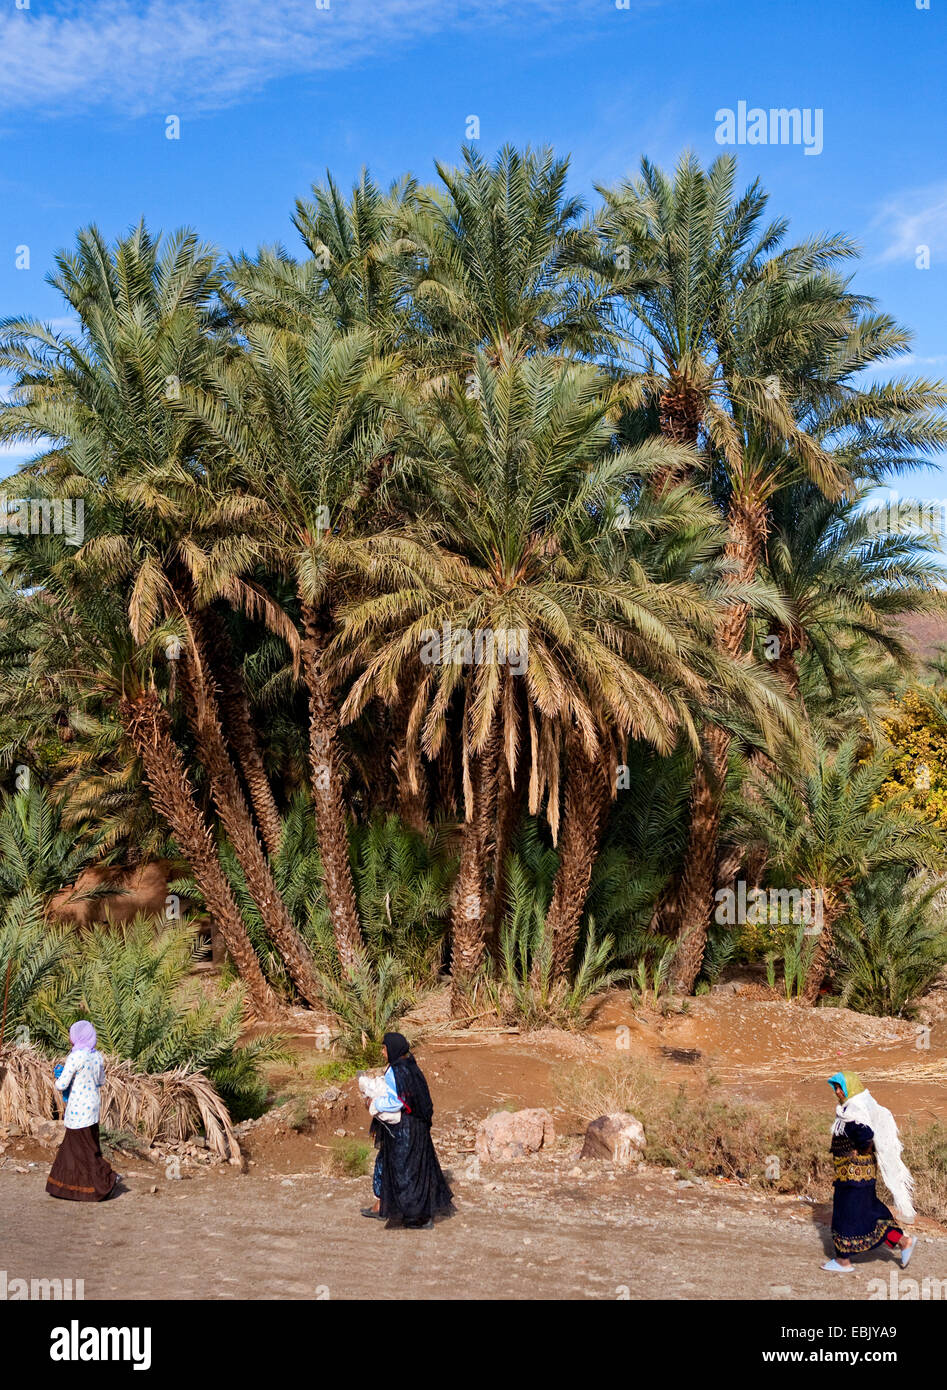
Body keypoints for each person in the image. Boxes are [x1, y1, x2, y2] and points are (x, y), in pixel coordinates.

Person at [821, 1071, 916, 1272]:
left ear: (851, 1088)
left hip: (854, 1177)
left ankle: (842, 1261)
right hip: (857, 1176)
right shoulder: (852, 1108)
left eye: (840, 1087)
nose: (837, 1092)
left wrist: (860, 1149)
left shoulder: (854, 1111)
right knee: (870, 1212)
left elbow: (865, 1134)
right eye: (836, 1087)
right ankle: (903, 1241)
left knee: (845, 1215)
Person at [361, 1032, 453, 1230]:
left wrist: (374, 1103)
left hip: (405, 1130)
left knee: (406, 1171)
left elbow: (398, 1100)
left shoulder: (398, 1071)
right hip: (415, 1127)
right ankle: (384, 1205)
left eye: (384, 1048)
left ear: (392, 1049)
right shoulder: (409, 1066)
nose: (382, 1052)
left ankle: (416, 1217)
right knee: (401, 1166)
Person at [46, 1021, 118, 1202]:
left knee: (83, 1150)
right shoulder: (97, 1057)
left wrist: (60, 1075)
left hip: (78, 1111)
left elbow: (61, 1084)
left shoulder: (75, 1057)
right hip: (93, 1108)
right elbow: (101, 1081)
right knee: (78, 1148)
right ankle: (69, 1188)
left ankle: (106, 1181)